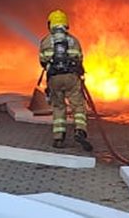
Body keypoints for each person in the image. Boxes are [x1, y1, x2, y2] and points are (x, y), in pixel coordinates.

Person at [39, 9, 92, 151]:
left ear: (50, 24)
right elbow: (79, 59)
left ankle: (58, 137)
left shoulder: (45, 41)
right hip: (71, 77)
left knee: (58, 106)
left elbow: (42, 61)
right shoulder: (74, 40)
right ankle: (80, 130)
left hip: (54, 78)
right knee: (78, 105)